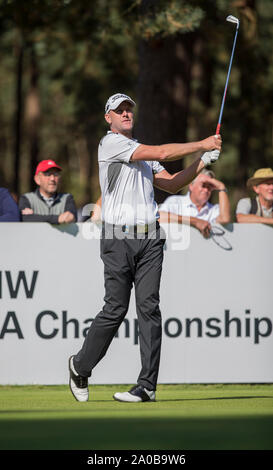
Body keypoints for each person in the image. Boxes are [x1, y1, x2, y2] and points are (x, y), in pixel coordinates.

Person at [69, 92, 222, 403]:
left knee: (149, 309)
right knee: (115, 309)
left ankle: (146, 386)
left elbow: (172, 183)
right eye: (119, 110)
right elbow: (164, 152)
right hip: (117, 238)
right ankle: (80, 365)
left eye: (129, 110)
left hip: (150, 238)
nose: (126, 114)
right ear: (108, 118)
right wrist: (202, 144)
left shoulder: (142, 151)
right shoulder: (110, 144)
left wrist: (202, 162)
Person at [159, 169, 231, 238]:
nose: (206, 190)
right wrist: (195, 222)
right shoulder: (175, 201)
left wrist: (221, 188)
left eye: (210, 186)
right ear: (191, 186)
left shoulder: (214, 209)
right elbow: (159, 218)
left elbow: (225, 219)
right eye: (203, 185)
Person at [19, 159, 77, 224]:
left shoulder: (67, 198)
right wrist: (57, 219)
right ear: (37, 179)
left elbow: (71, 217)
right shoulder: (27, 199)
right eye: (47, 174)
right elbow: (25, 218)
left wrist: (36, 217)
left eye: (56, 174)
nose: (52, 179)